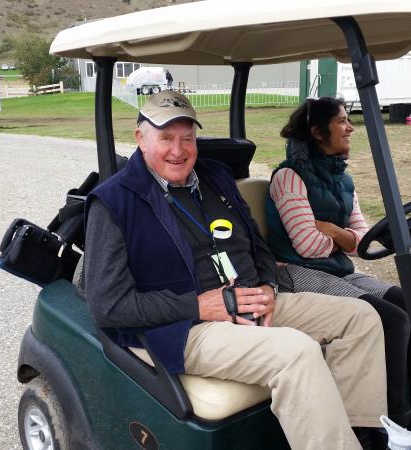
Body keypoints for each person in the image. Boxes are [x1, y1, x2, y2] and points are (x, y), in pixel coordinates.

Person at [85, 91, 387, 450]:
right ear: (140, 138)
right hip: (187, 325)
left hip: (252, 299)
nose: (178, 150)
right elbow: (108, 306)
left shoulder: (215, 178)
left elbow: (257, 245)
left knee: (361, 318)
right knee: (296, 351)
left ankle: (359, 435)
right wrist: (198, 306)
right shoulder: (113, 201)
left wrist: (270, 288)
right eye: (165, 138)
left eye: (187, 138)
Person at [266, 96, 411, 431]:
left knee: (404, 303)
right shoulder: (288, 177)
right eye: (342, 121)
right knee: (389, 318)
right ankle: (392, 421)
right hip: (295, 272)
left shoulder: (344, 180)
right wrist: (342, 238)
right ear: (318, 132)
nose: (350, 128)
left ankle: (402, 401)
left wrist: (332, 230)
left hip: (336, 269)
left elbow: (360, 241)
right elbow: (307, 245)